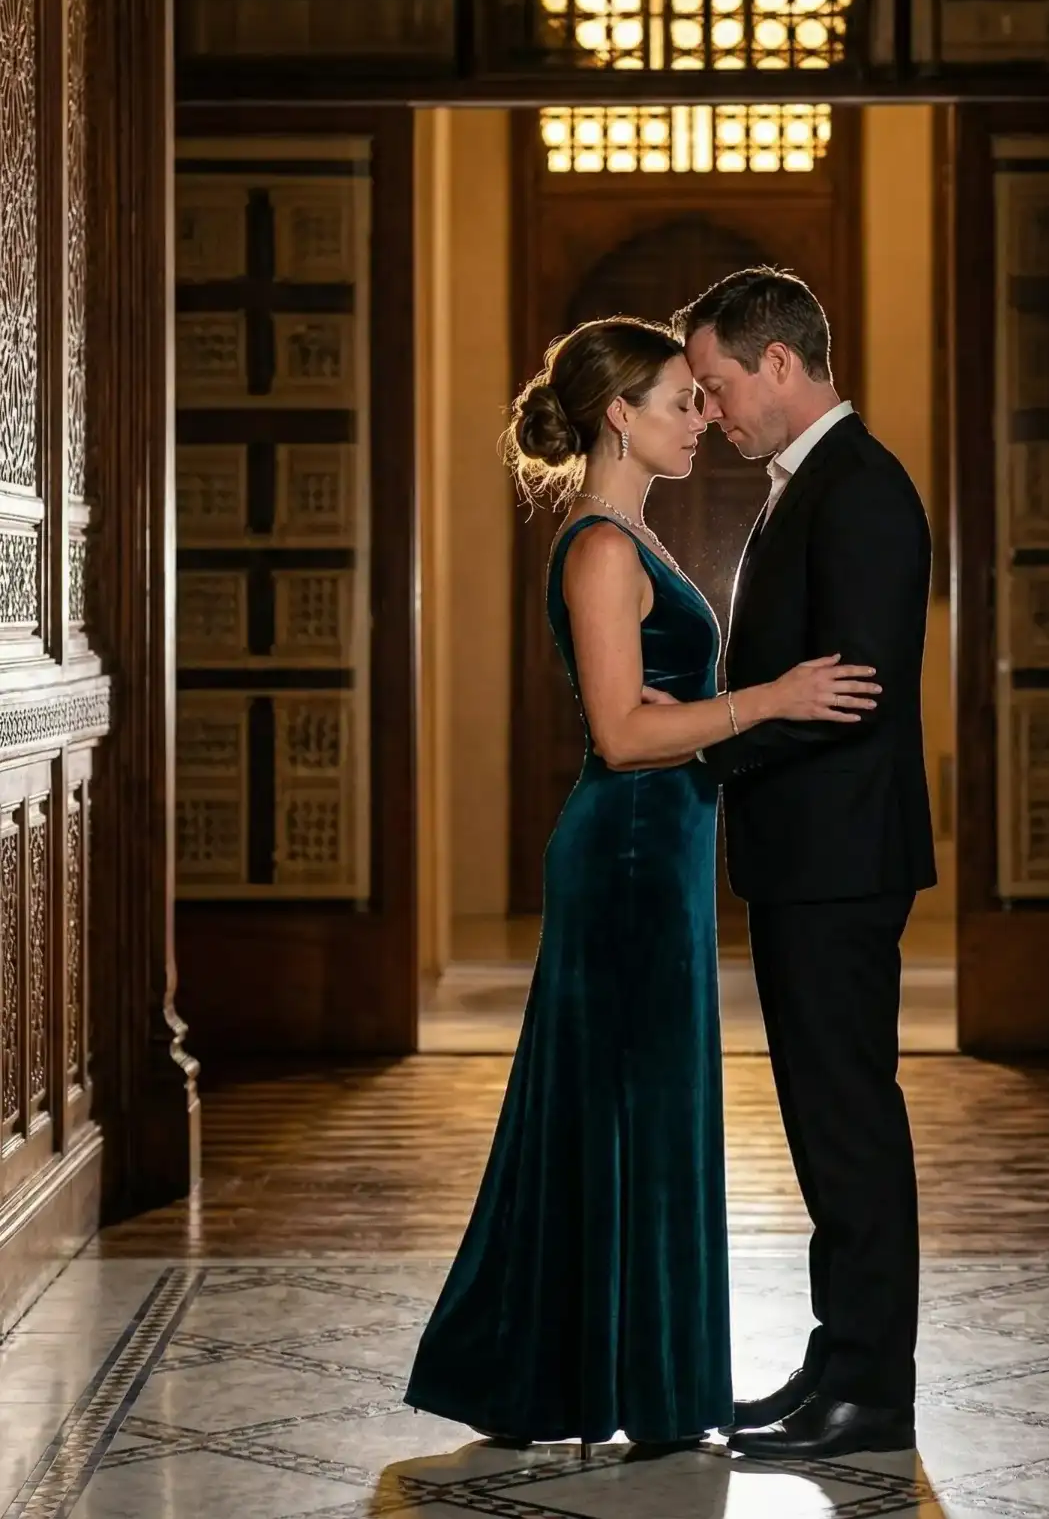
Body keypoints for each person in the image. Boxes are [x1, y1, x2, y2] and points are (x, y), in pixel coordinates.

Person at [404, 315, 879, 1451]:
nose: (702, 418)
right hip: (625, 851)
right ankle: (628, 1382)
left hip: (657, 850)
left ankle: (607, 1377)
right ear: (620, 414)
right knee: (627, 1112)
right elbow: (622, 733)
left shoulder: (630, 533)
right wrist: (772, 700)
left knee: (630, 1113)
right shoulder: (605, 546)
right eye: (681, 400)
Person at [678, 267, 936, 1462]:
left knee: (849, 1125)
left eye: (722, 385)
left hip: (840, 859)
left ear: (779, 364)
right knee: (824, 1122)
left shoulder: (862, 489)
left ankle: (872, 1396)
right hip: (804, 859)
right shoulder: (801, 487)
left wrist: (708, 749)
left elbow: (860, 694)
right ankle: (835, 1363)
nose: (716, 410)